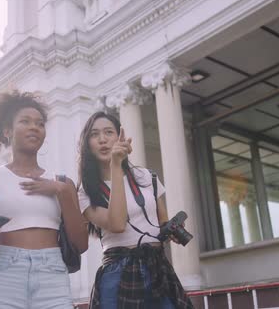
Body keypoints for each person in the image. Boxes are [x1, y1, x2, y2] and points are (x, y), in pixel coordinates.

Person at [0, 90, 89, 309]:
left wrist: (62, 191)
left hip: (53, 276)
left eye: (40, 124)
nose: (34, 127)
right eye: (25, 121)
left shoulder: (63, 183)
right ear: (7, 131)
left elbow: (81, 244)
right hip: (6, 274)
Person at [77, 112, 194, 309]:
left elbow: (161, 222)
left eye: (109, 132)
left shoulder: (145, 176)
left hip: (158, 267)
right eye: (94, 134)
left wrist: (171, 229)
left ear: (119, 137)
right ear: (87, 144)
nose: (103, 139)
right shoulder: (85, 191)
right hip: (119, 270)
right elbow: (117, 224)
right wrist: (116, 164)